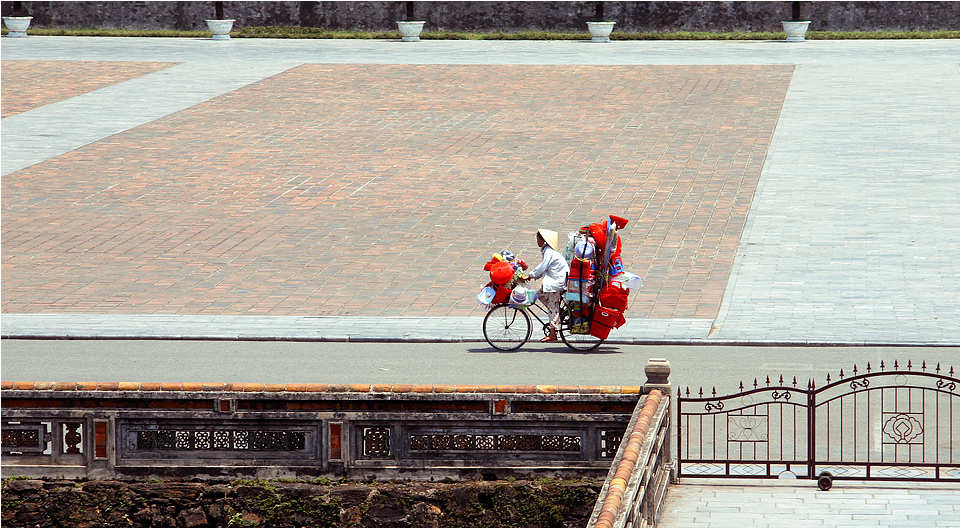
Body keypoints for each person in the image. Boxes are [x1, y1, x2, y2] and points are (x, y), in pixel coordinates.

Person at [523, 229, 569, 342]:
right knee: (538, 295)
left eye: (538, 239)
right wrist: (532, 277)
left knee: (552, 306)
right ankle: (557, 313)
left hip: (556, 283)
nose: (537, 241)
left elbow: (542, 267)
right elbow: (544, 269)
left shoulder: (549, 252)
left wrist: (530, 275)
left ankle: (553, 333)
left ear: (543, 240)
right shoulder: (547, 251)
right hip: (553, 282)